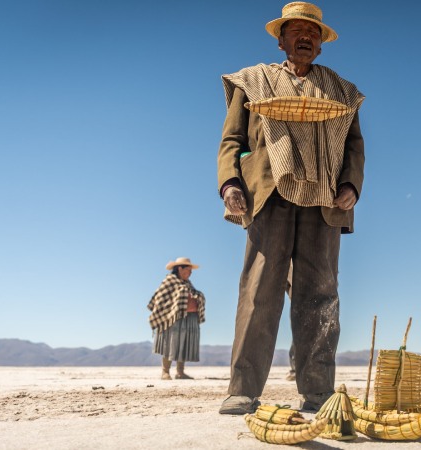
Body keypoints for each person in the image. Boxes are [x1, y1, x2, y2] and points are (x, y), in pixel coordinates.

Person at [216, 1, 365, 415]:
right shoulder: (254, 81)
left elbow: (354, 146)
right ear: (280, 39)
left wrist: (352, 184)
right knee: (260, 292)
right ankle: (243, 390)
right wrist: (230, 181)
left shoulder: (342, 91)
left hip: (325, 199)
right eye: (296, 30)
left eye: (313, 32)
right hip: (270, 195)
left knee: (320, 295)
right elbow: (233, 141)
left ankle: (317, 392)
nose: (305, 37)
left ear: (320, 45)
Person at [147, 257, 206, 380]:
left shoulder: (188, 283)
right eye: (188, 270)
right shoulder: (169, 281)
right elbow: (161, 299)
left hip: (189, 318)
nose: (190, 273)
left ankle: (180, 372)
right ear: (180, 268)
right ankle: (165, 372)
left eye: (191, 271)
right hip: (173, 319)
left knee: (184, 344)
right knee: (170, 343)